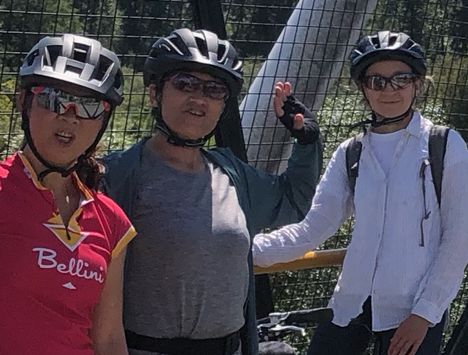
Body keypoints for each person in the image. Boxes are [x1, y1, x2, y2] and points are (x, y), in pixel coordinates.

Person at [98, 29, 325, 355]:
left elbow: (293, 200)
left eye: (214, 89)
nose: (199, 98)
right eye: (184, 84)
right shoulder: (119, 175)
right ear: (154, 93)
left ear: (223, 106)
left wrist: (305, 140)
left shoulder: (232, 174)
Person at [249, 31, 468, 355]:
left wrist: (425, 313)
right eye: (377, 81)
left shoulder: (445, 146)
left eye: (401, 79)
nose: (389, 90)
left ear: (418, 83)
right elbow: (311, 229)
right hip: (350, 305)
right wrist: (240, 248)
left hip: (413, 311)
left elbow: (457, 238)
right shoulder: (350, 153)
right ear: (362, 88)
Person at [0, 35, 135, 355]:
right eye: (52, 98)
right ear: (24, 101)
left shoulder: (112, 221)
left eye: (90, 105)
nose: (70, 115)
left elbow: (109, 339)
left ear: (104, 119)